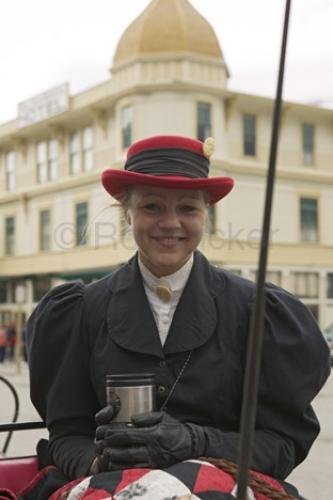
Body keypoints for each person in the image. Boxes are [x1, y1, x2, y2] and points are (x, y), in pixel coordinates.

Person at [27, 135, 330, 496]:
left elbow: (281, 444)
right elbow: (66, 435)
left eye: (187, 208)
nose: (170, 223)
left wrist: (194, 441)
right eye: (152, 206)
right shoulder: (81, 312)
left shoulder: (255, 312)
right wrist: (99, 461)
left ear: (206, 214)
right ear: (127, 212)